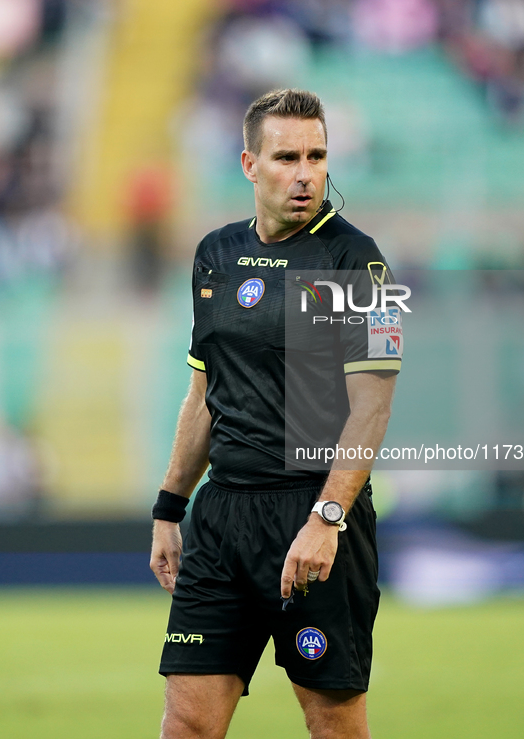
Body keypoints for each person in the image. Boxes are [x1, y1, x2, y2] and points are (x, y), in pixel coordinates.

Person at [150, 88, 402, 739]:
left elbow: (372, 404)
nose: (305, 173)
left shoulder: (354, 260)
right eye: (287, 156)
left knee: (332, 722)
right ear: (248, 164)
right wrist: (169, 505)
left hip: (309, 510)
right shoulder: (216, 254)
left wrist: (327, 516)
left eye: (317, 155)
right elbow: (204, 394)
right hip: (222, 516)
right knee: (187, 722)